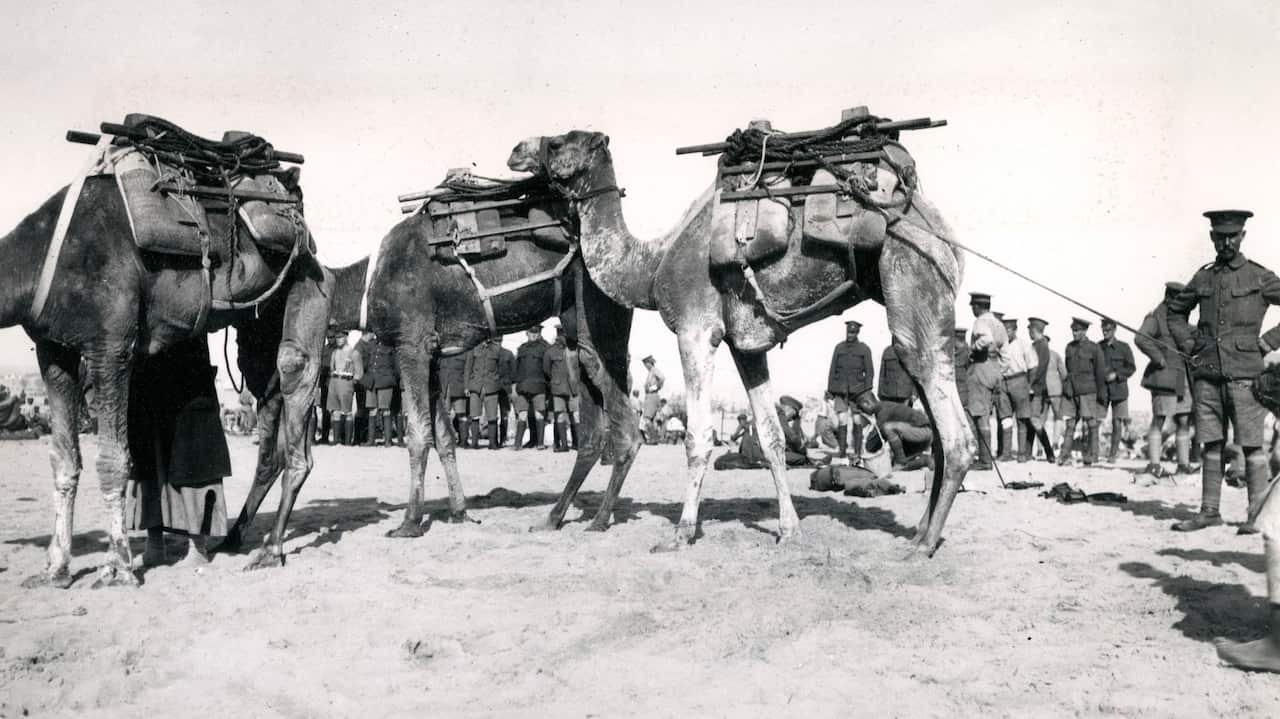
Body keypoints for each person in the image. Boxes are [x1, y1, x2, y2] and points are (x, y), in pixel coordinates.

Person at [1167, 209, 1280, 535]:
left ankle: (1257, 517)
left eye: (1232, 236)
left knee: (1252, 446)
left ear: (1242, 236)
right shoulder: (1203, 277)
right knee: (1211, 444)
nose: (1226, 242)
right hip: (1207, 375)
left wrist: (1266, 343)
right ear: (1212, 237)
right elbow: (1175, 312)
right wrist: (1190, 344)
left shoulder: (1258, 276)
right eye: (1220, 236)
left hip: (1246, 375)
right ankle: (1208, 512)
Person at [127, 337, 231, 566]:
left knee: (191, 458)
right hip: (147, 370)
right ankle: (154, 545)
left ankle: (198, 547)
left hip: (187, 370)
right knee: (148, 457)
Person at [1135, 282, 1195, 477]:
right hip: (1164, 376)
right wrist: (1158, 358)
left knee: (1183, 419)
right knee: (1159, 419)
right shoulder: (1155, 317)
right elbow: (1141, 338)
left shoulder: (1181, 318)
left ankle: (1183, 465)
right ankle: (1153, 464)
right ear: (1169, 297)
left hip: (1181, 376)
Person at [967, 293, 1007, 469]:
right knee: (985, 414)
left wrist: (974, 349)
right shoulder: (999, 324)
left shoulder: (980, 322)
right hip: (994, 369)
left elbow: (986, 339)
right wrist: (998, 371)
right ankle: (985, 458)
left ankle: (984, 460)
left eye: (973, 306)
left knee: (979, 414)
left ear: (977, 306)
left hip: (981, 366)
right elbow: (1006, 356)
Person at [1061, 317, 1106, 466]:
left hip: (1088, 390)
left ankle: (1092, 456)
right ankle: (1064, 456)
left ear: (1085, 331)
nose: (1074, 333)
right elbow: (1068, 368)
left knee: (1091, 424)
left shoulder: (1094, 348)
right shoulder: (1069, 347)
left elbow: (1100, 373)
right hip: (1071, 391)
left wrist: (1101, 394)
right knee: (1070, 424)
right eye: (1073, 330)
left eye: (1078, 331)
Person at [827, 319, 874, 458]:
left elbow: (869, 372)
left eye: (853, 332)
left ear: (857, 333)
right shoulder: (839, 348)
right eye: (849, 332)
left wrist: (865, 391)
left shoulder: (864, 349)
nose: (850, 335)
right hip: (841, 391)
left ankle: (857, 452)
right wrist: (830, 390)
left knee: (857, 420)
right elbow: (832, 369)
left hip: (858, 392)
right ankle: (842, 453)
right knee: (842, 420)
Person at [855, 391, 933, 471]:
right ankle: (924, 461)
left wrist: (861, 451)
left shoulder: (884, 411)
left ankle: (901, 462)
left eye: (861, 408)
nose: (862, 411)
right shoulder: (884, 407)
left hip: (924, 432)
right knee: (893, 467)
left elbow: (875, 440)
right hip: (916, 437)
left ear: (867, 403)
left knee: (888, 427)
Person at [1097, 318, 1136, 464]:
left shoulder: (1124, 347)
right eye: (1103, 329)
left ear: (1114, 330)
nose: (1105, 332)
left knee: (1117, 422)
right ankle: (1093, 454)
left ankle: (1112, 455)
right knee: (1095, 422)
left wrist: (1117, 375)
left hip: (1119, 390)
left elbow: (1131, 367)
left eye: (1108, 330)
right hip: (1102, 391)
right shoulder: (1098, 347)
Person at [1001, 317, 1040, 462]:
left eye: (1009, 330)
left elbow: (1033, 366)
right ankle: (1006, 453)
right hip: (1004, 382)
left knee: (1022, 419)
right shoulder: (1001, 345)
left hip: (1020, 380)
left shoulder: (1024, 345)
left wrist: (1029, 385)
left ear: (1015, 330)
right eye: (1004, 330)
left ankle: (1022, 453)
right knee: (1005, 419)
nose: (1006, 333)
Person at [514, 324, 550, 450]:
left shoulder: (545, 348)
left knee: (539, 414)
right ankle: (518, 444)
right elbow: (516, 369)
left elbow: (547, 370)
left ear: (539, 334)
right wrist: (516, 385)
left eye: (536, 333)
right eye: (531, 333)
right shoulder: (521, 348)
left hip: (539, 386)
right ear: (527, 334)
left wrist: (548, 389)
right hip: (523, 387)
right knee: (523, 414)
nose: (533, 335)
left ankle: (539, 443)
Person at [465, 338, 505, 450]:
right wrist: (466, 386)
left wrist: (497, 383)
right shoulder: (473, 349)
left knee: (492, 417)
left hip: (491, 387)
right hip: (475, 386)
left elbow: (502, 369)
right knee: (474, 415)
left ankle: (492, 443)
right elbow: (468, 368)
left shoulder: (497, 349)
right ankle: (474, 443)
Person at [544, 326, 579, 452]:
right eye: (561, 335)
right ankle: (564, 445)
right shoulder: (550, 351)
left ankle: (577, 444)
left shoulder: (575, 349)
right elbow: (547, 371)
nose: (563, 337)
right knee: (559, 415)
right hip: (558, 388)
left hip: (573, 388)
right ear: (558, 335)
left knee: (575, 415)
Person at [1026, 317, 1055, 462]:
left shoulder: (1041, 345)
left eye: (1029, 329)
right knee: (1031, 420)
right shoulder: (1039, 344)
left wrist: (1030, 383)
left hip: (1036, 389)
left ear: (1034, 329)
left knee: (1034, 420)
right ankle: (1027, 452)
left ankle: (1049, 452)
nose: (1028, 332)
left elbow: (1039, 368)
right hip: (1035, 388)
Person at [327, 332, 363, 446]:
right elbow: (331, 367)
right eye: (337, 337)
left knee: (347, 412)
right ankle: (337, 440)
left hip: (346, 382)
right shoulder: (335, 352)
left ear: (346, 337)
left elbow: (359, 372)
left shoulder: (354, 353)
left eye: (341, 337)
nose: (338, 339)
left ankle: (347, 441)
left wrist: (352, 380)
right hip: (334, 382)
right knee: (335, 411)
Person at [365, 334, 400, 446]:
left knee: (386, 410)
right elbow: (367, 362)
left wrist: (392, 379)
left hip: (385, 381)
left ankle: (388, 440)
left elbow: (397, 367)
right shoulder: (371, 344)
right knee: (372, 410)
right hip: (371, 381)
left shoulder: (391, 345)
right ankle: (371, 440)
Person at [1041, 334, 1068, 459]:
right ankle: (1054, 444)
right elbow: (1063, 374)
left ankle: (1043, 447)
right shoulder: (1055, 355)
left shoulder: (1036, 356)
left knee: (1043, 419)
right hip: (1054, 390)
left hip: (1044, 390)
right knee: (1057, 417)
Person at [438, 351, 470, 447]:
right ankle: (447, 441)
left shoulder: (464, 352)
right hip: (444, 388)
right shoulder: (442, 352)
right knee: (445, 415)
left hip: (459, 387)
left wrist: (466, 387)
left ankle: (463, 440)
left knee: (462, 415)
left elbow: (467, 371)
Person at [640, 355, 665, 444]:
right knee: (650, 419)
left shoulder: (654, 370)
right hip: (650, 396)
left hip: (652, 395)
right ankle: (653, 439)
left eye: (646, 364)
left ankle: (653, 438)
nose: (645, 366)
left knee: (647, 418)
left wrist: (656, 387)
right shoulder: (651, 371)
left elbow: (662, 378)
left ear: (649, 363)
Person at [498, 341, 516, 448]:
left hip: (503, 389)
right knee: (502, 415)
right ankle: (500, 439)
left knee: (503, 415)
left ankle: (501, 439)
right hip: (499, 387)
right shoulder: (508, 354)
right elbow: (513, 373)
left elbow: (513, 373)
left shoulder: (508, 354)